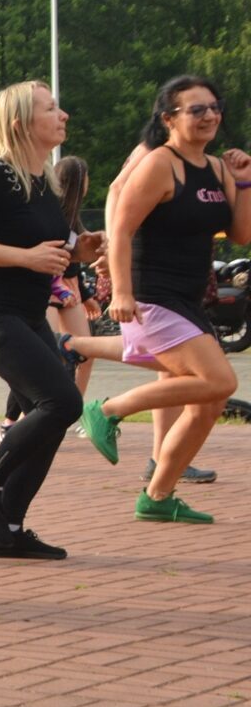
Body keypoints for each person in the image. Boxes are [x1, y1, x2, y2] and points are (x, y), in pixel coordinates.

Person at [74, 77, 251, 524]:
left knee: (209, 402)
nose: (210, 115)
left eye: (214, 107)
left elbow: (242, 233)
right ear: (169, 118)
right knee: (220, 381)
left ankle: (158, 496)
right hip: (152, 294)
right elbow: (121, 230)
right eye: (197, 109)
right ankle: (107, 409)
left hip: (190, 297)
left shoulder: (218, 169)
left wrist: (246, 181)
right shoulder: (159, 164)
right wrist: (123, 292)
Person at [0, 81, 105, 560]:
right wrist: (26, 257)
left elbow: (49, 249)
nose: (63, 115)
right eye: (51, 108)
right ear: (20, 123)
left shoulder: (43, 181)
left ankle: (8, 528)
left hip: (28, 312)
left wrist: (79, 251)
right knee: (62, 402)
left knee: (54, 413)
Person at [0, 157, 98, 440]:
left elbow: (74, 261)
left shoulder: (74, 216)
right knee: (43, 356)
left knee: (86, 352)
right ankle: (14, 420)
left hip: (69, 287)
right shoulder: (49, 212)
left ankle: (71, 412)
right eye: (86, 178)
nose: (89, 183)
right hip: (47, 287)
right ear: (76, 181)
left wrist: (85, 295)